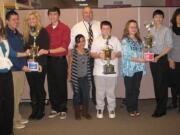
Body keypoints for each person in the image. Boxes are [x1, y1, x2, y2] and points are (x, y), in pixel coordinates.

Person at [0, 16, 29, 135]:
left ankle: (8, 129)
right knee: (2, 104)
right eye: (13, 19)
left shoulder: (3, 37)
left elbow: (13, 53)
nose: (16, 21)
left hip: (6, 74)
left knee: (9, 102)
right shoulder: (7, 34)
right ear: (7, 22)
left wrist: (27, 53)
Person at [68, 6, 101, 105]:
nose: (88, 14)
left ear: (93, 13)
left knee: (96, 82)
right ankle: (81, 103)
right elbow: (71, 47)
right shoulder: (76, 27)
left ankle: (97, 102)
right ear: (82, 14)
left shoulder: (99, 25)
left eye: (90, 12)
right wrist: (70, 67)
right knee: (82, 82)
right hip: (82, 59)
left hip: (97, 58)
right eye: (86, 12)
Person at [42, 7, 70, 119]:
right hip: (49, 61)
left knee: (61, 85)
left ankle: (63, 108)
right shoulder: (45, 29)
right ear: (48, 16)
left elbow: (64, 48)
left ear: (59, 15)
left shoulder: (65, 28)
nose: (52, 16)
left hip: (60, 61)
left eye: (55, 14)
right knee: (51, 85)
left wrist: (48, 51)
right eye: (50, 14)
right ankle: (54, 108)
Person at [91, 21, 121, 119]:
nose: (106, 30)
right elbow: (92, 53)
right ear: (101, 30)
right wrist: (99, 55)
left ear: (111, 29)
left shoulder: (115, 40)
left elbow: (120, 53)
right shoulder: (96, 40)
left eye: (108, 28)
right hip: (99, 71)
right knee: (99, 92)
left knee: (111, 91)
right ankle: (100, 108)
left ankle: (111, 108)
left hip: (112, 71)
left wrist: (115, 54)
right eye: (103, 28)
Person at [23, 11, 49, 120]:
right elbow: (24, 49)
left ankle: (41, 110)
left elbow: (45, 48)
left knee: (39, 87)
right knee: (32, 87)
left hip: (39, 65)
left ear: (37, 20)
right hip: (29, 64)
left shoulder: (43, 31)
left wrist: (41, 64)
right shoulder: (25, 33)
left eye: (33, 19)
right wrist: (27, 51)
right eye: (29, 19)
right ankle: (34, 110)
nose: (31, 21)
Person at [150, 9, 173, 118]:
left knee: (162, 84)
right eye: (156, 17)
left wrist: (158, 57)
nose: (158, 19)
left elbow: (169, 46)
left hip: (162, 58)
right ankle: (159, 106)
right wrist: (148, 53)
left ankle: (161, 109)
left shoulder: (166, 30)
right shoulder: (151, 30)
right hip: (153, 59)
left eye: (160, 17)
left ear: (163, 18)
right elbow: (149, 45)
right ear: (153, 18)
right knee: (156, 83)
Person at [121, 20, 146, 117]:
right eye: (131, 27)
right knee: (129, 89)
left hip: (139, 68)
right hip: (129, 69)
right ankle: (130, 108)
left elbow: (141, 52)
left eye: (135, 27)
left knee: (136, 89)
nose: (133, 29)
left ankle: (135, 107)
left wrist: (146, 57)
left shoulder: (139, 40)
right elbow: (126, 56)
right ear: (127, 28)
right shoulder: (125, 40)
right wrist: (139, 60)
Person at [68, 34, 92, 120]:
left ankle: (85, 112)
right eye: (80, 41)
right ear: (77, 42)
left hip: (85, 77)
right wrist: (69, 75)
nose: (82, 43)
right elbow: (70, 65)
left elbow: (88, 64)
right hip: (76, 77)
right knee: (77, 95)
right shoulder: (73, 52)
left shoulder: (87, 51)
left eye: (83, 41)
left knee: (86, 95)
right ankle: (77, 112)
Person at [168, 8, 180, 113]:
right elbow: (167, 46)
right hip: (174, 60)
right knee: (174, 83)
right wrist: (170, 59)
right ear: (175, 17)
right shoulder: (170, 29)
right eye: (178, 16)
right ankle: (174, 103)